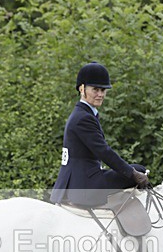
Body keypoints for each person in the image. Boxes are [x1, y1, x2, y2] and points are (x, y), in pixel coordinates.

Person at [51, 62, 149, 207]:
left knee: (136, 170)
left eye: (103, 90)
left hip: (80, 180)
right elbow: (104, 152)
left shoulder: (83, 113)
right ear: (82, 88)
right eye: (95, 89)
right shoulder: (84, 118)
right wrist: (132, 174)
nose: (100, 94)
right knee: (138, 170)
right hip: (83, 186)